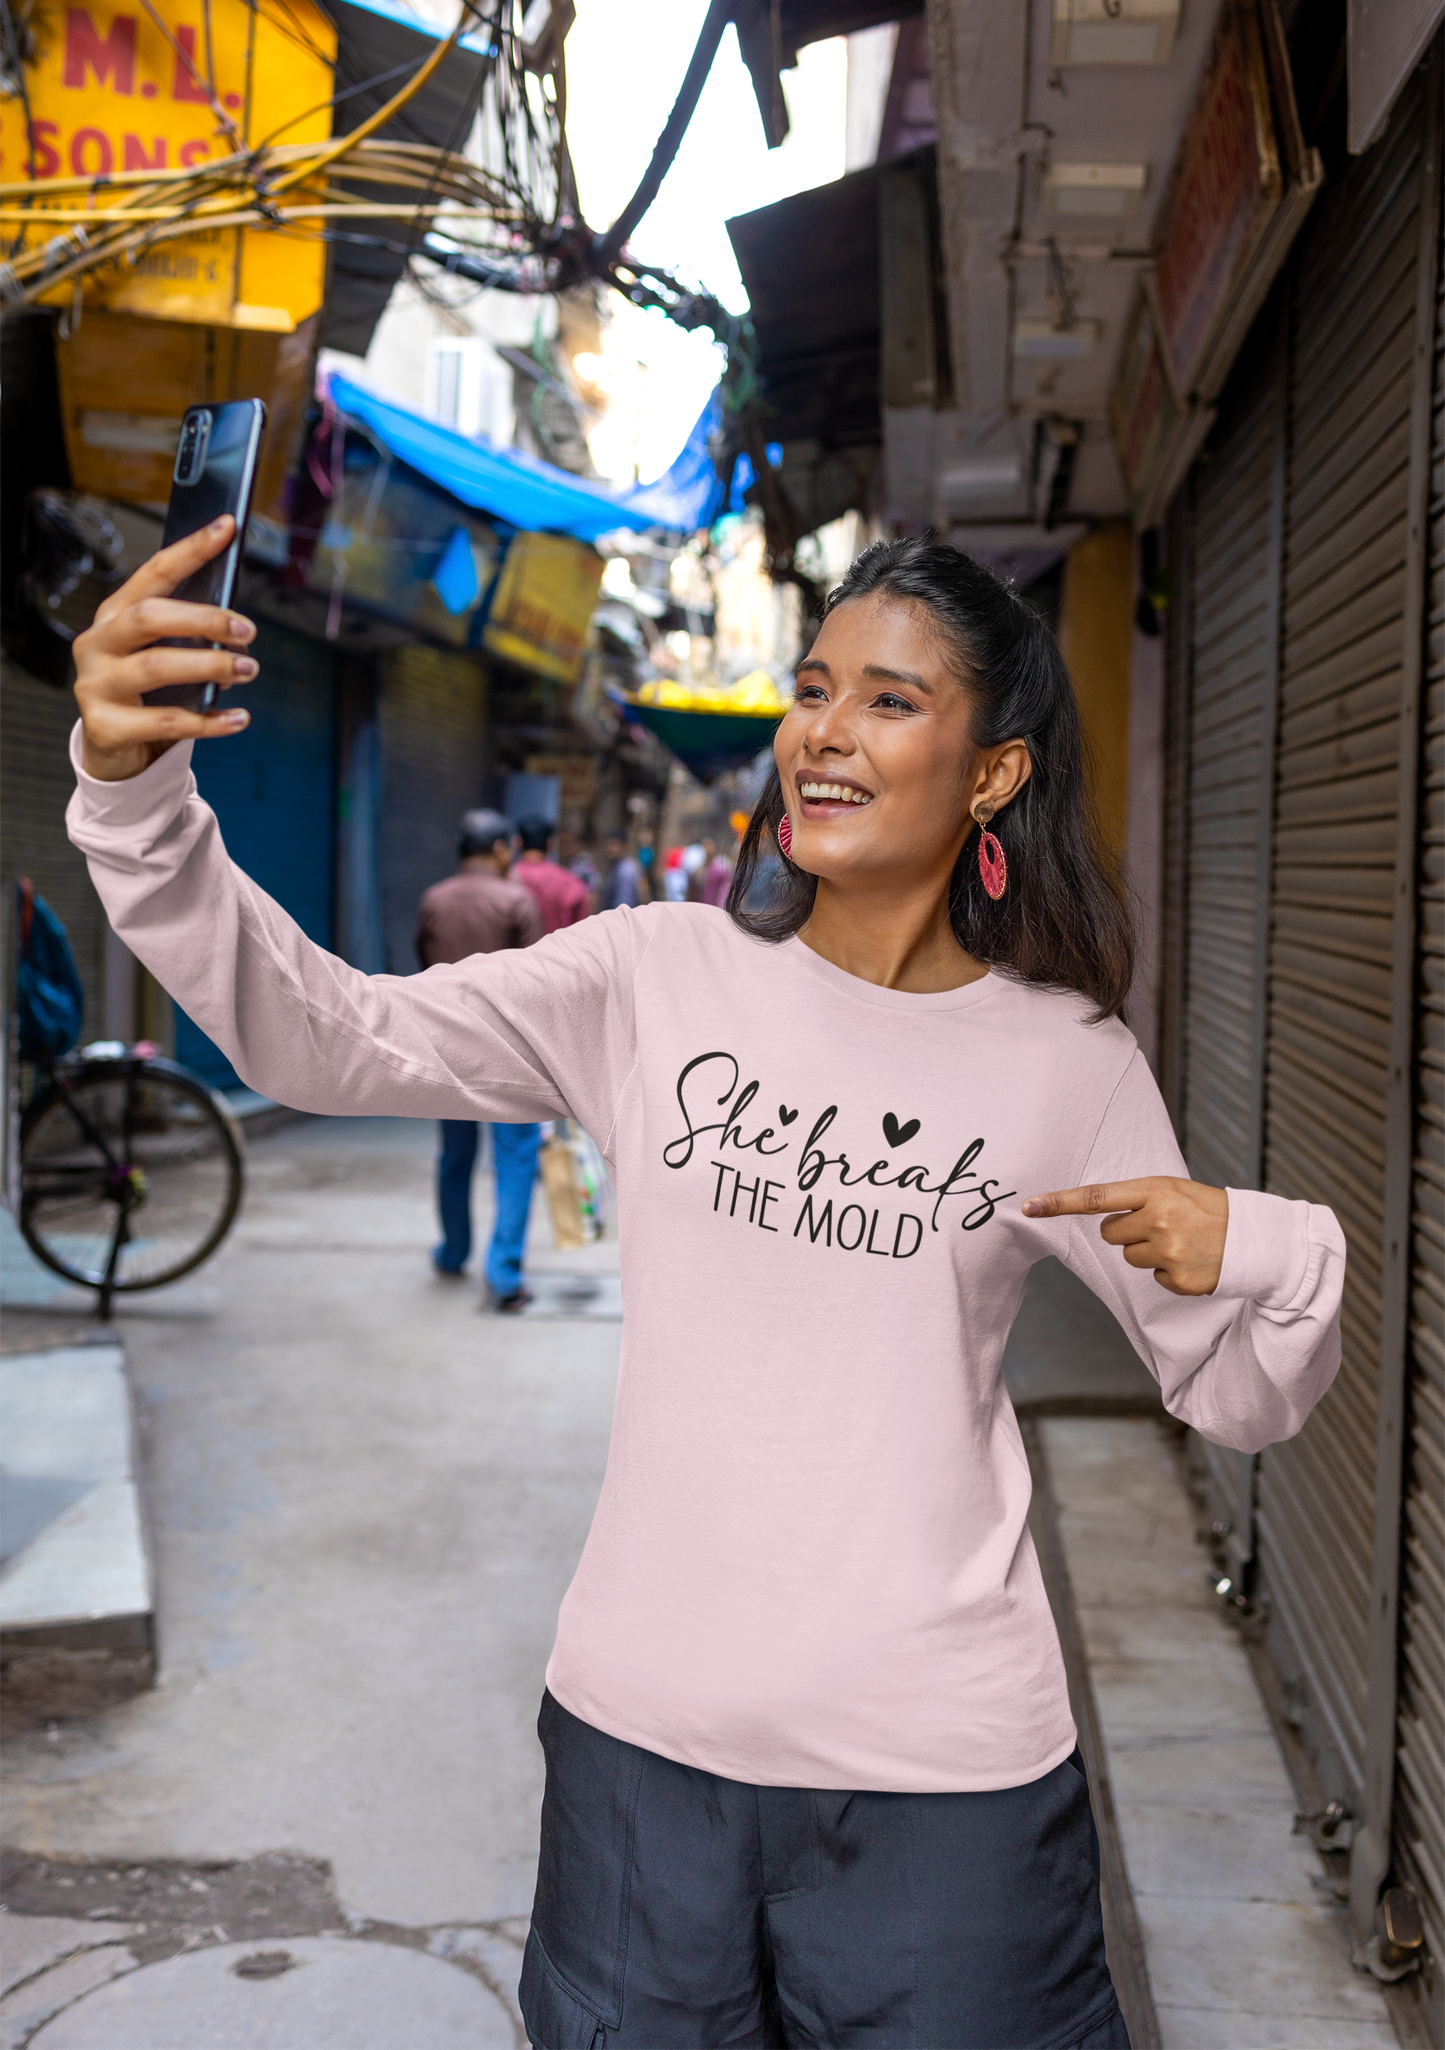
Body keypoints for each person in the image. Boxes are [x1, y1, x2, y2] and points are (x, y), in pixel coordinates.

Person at [69, 520, 1345, 2050]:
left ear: (993, 772)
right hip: (640, 1753)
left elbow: (1239, 1395)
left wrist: (1271, 1248)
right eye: (813, 688)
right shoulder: (653, 976)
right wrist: (136, 798)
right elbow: (324, 1034)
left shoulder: (1064, 1063)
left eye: (888, 699)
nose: (824, 730)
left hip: (944, 1788)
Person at [415, 808, 543, 1311]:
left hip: (447, 1047)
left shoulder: (434, 900)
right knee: (515, 1158)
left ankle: (453, 1252)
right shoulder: (516, 900)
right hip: (509, 1053)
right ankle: (504, 1274)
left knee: (455, 1156)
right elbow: (537, 986)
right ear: (500, 849)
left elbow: (424, 970)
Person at [512, 815, 591, 934]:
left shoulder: (505, 879)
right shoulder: (571, 883)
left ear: (518, 842)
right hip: (559, 946)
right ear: (550, 844)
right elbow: (581, 933)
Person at [598, 830, 642, 910]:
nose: (610, 849)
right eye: (608, 844)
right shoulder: (616, 867)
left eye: (614, 844)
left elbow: (623, 905)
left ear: (623, 846)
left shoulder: (625, 870)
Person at [692, 834, 733, 908]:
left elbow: (726, 886)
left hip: (717, 904)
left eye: (708, 845)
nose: (706, 848)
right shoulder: (700, 864)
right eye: (704, 845)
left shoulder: (721, 862)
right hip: (704, 903)